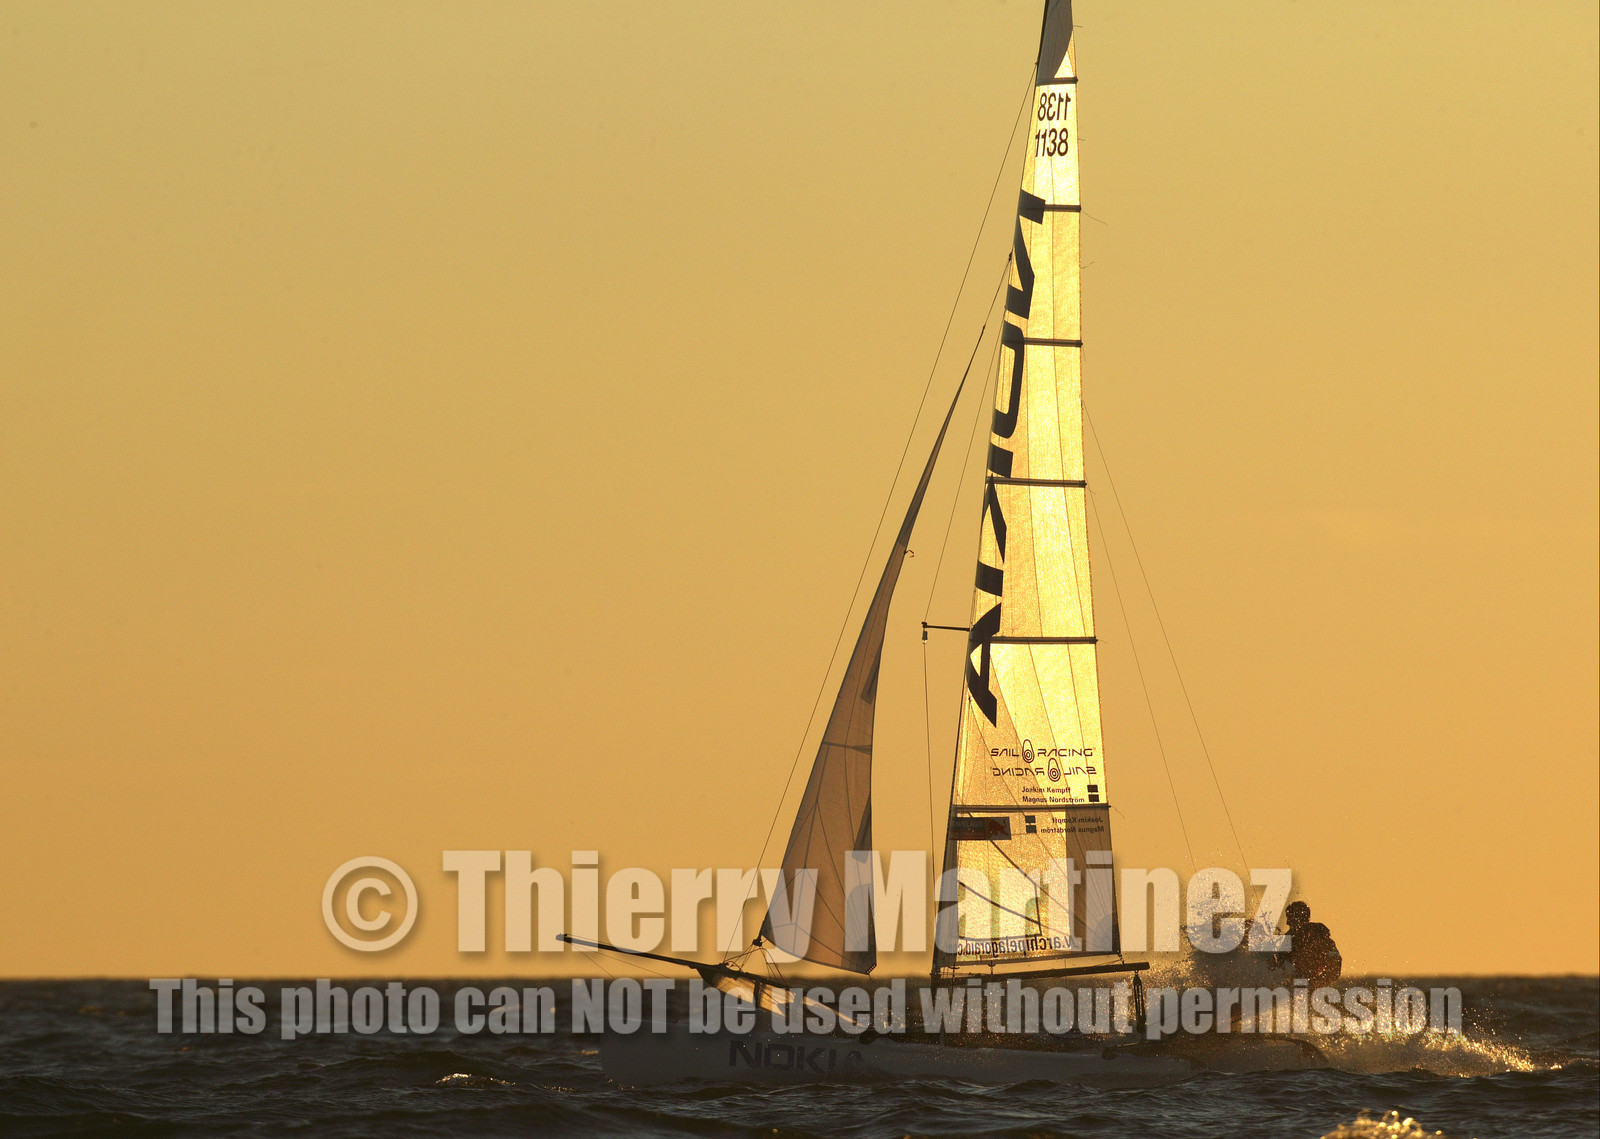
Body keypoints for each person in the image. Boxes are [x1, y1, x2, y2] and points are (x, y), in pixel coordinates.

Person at [1277, 900, 1341, 986]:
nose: (1287, 922)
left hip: (1311, 986)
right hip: (1293, 986)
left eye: (1290, 918)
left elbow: (1335, 966)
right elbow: (1279, 967)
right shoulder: (1287, 940)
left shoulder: (1320, 938)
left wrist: (1317, 983)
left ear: (1299, 919)